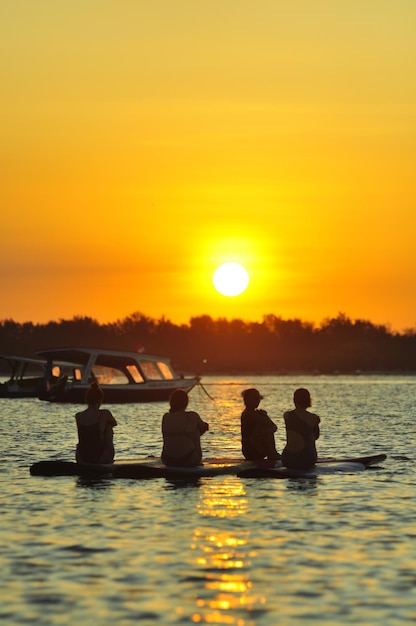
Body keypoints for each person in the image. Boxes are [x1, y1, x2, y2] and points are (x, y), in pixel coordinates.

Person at [161, 388, 209, 467]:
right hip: (188, 460)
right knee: (196, 429)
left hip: (167, 459)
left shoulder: (166, 417)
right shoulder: (192, 416)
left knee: (183, 433)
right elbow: (204, 427)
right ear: (186, 403)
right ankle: (194, 459)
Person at [75, 382, 117, 464]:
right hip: (100, 457)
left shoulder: (78, 416)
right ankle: (106, 456)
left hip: (81, 457)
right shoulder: (104, 413)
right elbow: (114, 423)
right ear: (100, 400)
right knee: (108, 426)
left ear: (87, 400)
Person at [282, 388, 320, 469]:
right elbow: (316, 436)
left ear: (294, 400)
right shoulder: (314, 418)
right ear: (308, 400)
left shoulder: (287, 415)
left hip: (287, 458)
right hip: (307, 460)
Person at [240, 388, 280, 462]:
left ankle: (272, 453)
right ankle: (272, 454)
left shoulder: (255, 414)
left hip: (254, 449)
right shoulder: (249, 414)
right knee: (267, 431)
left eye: (258, 399)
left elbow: (273, 427)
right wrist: (265, 416)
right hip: (251, 451)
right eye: (255, 399)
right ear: (246, 400)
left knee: (266, 429)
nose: (258, 401)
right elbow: (273, 427)